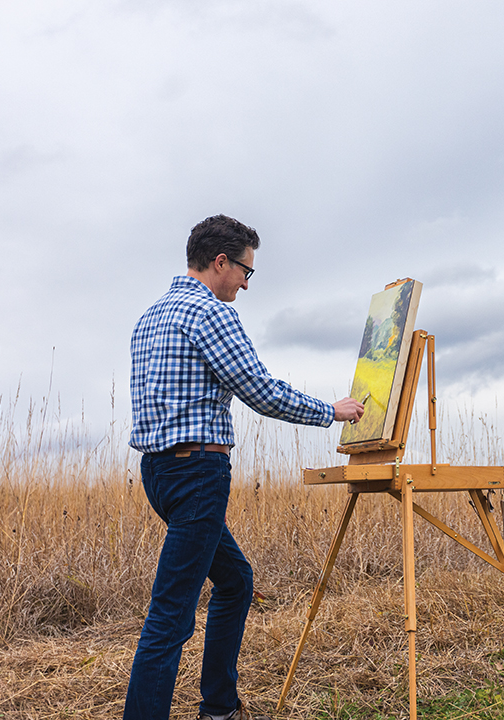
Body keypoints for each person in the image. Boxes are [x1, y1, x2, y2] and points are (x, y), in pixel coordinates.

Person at [124, 214, 364, 720]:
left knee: (235, 581)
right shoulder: (211, 314)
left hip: (158, 475)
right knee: (170, 618)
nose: (247, 283)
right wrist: (331, 411)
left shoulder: (150, 317)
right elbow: (262, 392)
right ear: (220, 262)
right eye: (245, 271)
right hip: (198, 476)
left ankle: (219, 706)